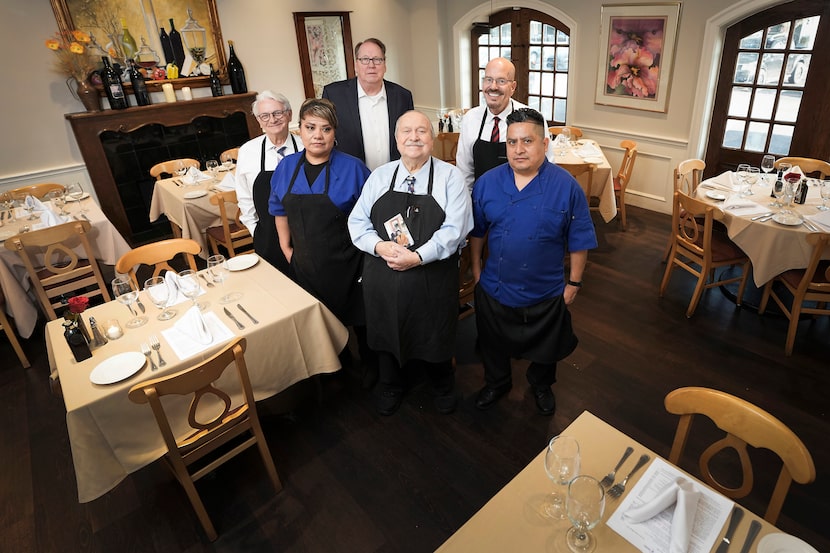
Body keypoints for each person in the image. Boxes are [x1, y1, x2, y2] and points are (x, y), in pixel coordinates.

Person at [469, 108, 597, 415]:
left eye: (527, 141)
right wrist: (476, 272)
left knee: (546, 349)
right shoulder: (487, 183)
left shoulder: (566, 187)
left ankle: (541, 385)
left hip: (546, 290)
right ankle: (497, 383)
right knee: (493, 344)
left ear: (544, 143)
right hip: (495, 286)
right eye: (512, 142)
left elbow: (579, 240)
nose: (518, 149)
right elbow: (477, 233)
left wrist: (574, 283)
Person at [349, 110, 473, 416]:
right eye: (406, 131)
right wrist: (378, 246)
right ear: (396, 139)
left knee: (435, 331)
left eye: (421, 131)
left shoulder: (450, 177)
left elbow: (456, 230)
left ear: (432, 139)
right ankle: (391, 383)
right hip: (383, 274)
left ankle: (442, 384)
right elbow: (356, 223)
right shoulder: (379, 176)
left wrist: (417, 257)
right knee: (385, 330)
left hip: (431, 276)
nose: (413, 137)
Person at [269, 98, 374, 382]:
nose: (318, 135)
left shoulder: (353, 168)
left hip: (350, 264)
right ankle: (337, 367)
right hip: (306, 264)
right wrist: (285, 247)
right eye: (310, 127)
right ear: (299, 129)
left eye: (326, 129)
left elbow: (371, 217)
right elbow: (278, 209)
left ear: (334, 132)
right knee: (321, 324)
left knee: (361, 321)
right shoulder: (286, 167)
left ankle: (370, 366)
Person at [236, 91, 303, 274]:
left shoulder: (307, 145)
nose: (272, 120)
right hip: (267, 236)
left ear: (289, 114)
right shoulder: (248, 151)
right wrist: (255, 230)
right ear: (258, 120)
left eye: (277, 113)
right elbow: (244, 196)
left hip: (306, 236)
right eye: (265, 115)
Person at [322, 38, 414, 170]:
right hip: (350, 177)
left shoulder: (402, 96)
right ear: (355, 65)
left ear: (385, 65)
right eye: (365, 59)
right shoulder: (334, 95)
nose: (371, 65)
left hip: (395, 178)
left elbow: (410, 138)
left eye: (377, 59)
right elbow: (325, 138)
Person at [456, 57, 527, 193]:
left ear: (513, 87)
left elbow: (544, 169)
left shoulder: (530, 119)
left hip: (520, 203)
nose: (493, 87)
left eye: (501, 81)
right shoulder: (470, 119)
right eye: (488, 79)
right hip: (480, 203)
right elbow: (465, 174)